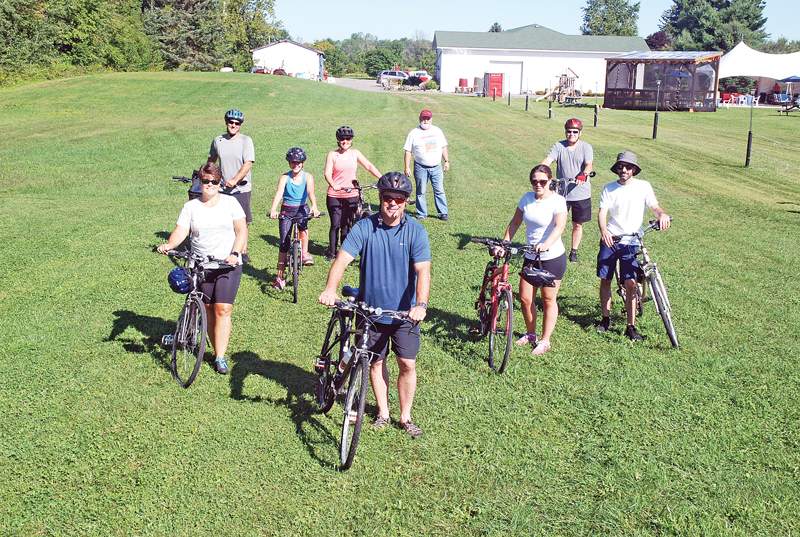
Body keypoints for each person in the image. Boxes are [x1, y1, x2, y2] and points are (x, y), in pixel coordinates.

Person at [318, 172, 431, 438]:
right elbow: (343, 259)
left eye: (399, 199)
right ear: (380, 199)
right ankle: (383, 413)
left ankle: (405, 417)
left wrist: (421, 304)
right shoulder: (364, 227)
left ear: (405, 202)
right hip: (370, 311)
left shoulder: (416, 231)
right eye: (388, 198)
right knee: (375, 363)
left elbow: (423, 271)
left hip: (404, 313)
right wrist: (330, 289)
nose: (393, 203)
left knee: (407, 363)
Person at [157, 162, 248, 374]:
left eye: (214, 181)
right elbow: (181, 231)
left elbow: (241, 230)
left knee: (223, 309)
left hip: (227, 265)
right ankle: (215, 347)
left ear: (219, 182)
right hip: (201, 265)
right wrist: (170, 244)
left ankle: (220, 357)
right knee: (207, 309)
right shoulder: (191, 207)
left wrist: (235, 254)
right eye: (205, 181)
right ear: (200, 181)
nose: (210, 185)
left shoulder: (230, 203)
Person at [596, 151, 671, 341]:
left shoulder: (643, 186)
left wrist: (661, 215)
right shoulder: (608, 188)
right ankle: (606, 319)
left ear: (634, 170)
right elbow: (602, 212)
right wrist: (604, 231)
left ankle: (631, 326)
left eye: (628, 167)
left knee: (630, 283)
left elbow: (655, 207)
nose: (624, 170)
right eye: (621, 166)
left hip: (631, 241)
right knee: (605, 280)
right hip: (612, 239)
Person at [498, 164, 567, 355]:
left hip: (552, 257)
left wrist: (546, 244)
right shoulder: (526, 199)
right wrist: (505, 243)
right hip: (530, 256)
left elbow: (559, 227)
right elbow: (515, 222)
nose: (539, 185)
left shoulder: (558, 201)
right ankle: (530, 334)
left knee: (548, 299)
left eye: (543, 181)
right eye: (535, 181)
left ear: (550, 182)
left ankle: (545, 340)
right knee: (525, 299)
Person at [323, 126, 382, 261]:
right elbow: (327, 173)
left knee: (346, 224)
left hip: (351, 194)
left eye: (348, 139)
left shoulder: (354, 153)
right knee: (335, 224)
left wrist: (381, 177)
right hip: (335, 194)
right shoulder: (332, 154)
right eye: (342, 139)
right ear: (338, 140)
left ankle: (343, 253)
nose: (345, 141)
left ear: (352, 140)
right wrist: (333, 185)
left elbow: (368, 165)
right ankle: (331, 253)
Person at [541, 118, 593, 263]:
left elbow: (589, 164)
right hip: (561, 193)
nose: (572, 134)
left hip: (580, 193)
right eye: (569, 131)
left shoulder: (586, 147)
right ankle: (549, 247)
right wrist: (540, 171)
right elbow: (548, 160)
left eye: (575, 132)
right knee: (555, 222)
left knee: (577, 224)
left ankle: (573, 251)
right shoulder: (558, 146)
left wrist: (584, 175)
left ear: (580, 133)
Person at [269, 147, 321, 291]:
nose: (295, 165)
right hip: (287, 209)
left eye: (298, 162)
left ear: (303, 163)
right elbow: (279, 193)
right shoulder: (284, 178)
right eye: (292, 162)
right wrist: (274, 209)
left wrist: (314, 206)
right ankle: (280, 277)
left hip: (301, 207)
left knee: (303, 227)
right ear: (289, 163)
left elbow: (311, 192)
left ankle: (304, 253)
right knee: (284, 243)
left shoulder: (308, 177)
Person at [207, 109, 255, 263]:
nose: (233, 125)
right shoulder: (218, 141)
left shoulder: (245, 141)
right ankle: (223, 248)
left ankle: (243, 251)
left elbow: (248, 163)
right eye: (231, 122)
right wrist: (208, 175)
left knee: (241, 220)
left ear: (240, 125)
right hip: (222, 188)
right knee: (222, 219)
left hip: (240, 188)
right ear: (226, 122)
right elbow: (211, 160)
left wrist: (235, 179)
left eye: (237, 123)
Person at [403, 109, 451, 221]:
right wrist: (407, 166)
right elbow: (408, 151)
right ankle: (421, 214)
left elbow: (443, 147)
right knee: (421, 191)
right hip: (421, 167)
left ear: (431, 119)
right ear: (419, 119)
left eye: (427, 119)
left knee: (439, 190)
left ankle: (443, 213)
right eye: (423, 118)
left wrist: (447, 161)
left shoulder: (437, 131)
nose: (425, 121)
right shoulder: (414, 133)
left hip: (437, 167)